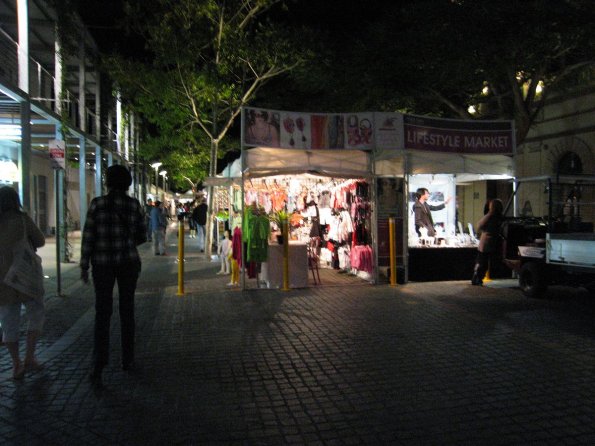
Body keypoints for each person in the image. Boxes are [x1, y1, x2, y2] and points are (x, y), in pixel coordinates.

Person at [80, 165, 147, 388]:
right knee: (127, 311)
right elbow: (141, 235)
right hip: (128, 262)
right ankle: (127, 359)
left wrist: (84, 265)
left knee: (102, 312)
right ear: (127, 182)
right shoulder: (133, 205)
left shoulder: (97, 204)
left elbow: (88, 236)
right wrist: (125, 242)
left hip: (102, 265)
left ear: (108, 182)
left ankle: (99, 363)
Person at [0, 186, 46, 380]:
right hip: (25, 276)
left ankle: (16, 364)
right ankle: (29, 357)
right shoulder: (22, 219)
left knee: (9, 321)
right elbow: (41, 240)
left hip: (3, 280)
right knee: (36, 313)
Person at [471, 198, 504, 286]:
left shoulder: (490, 216)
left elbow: (479, 225)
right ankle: (478, 277)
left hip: (486, 241)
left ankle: (477, 277)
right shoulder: (499, 217)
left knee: (482, 261)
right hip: (491, 242)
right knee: (483, 261)